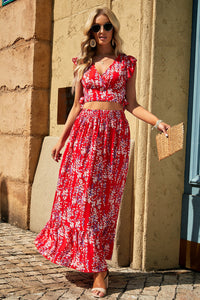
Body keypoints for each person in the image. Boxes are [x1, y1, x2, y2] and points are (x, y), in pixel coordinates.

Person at [35, 7, 169, 298]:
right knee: (82, 201)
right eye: (96, 28)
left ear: (114, 29)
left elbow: (132, 104)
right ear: (91, 34)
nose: (102, 31)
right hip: (83, 138)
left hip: (113, 138)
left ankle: (100, 268)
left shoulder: (126, 63)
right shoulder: (83, 65)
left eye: (107, 26)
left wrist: (157, 121)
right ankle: (95, 266)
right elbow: (76, 106)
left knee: (103, 204)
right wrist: (61, 140)